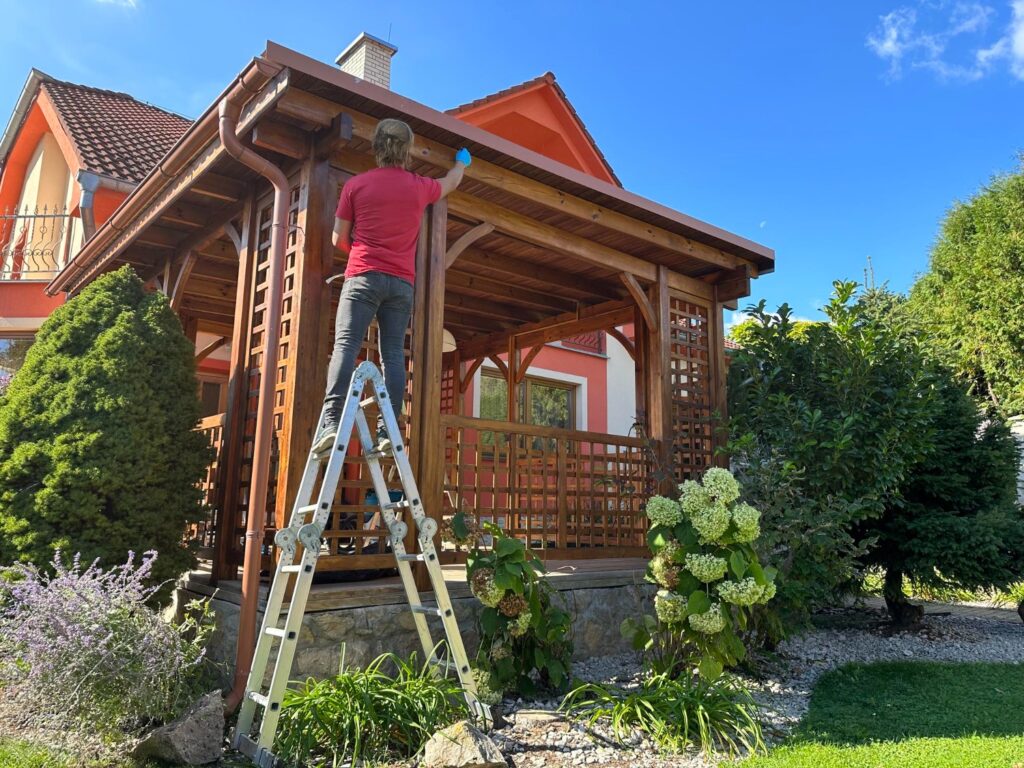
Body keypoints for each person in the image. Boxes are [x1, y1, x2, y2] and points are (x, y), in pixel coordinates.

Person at [312, 118, 471, 455]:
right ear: (407, 150)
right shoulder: (419, 186)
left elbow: (338, 237)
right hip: (401, 284)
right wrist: (461, 162)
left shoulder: (356, 185)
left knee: (345, 346)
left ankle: (331, 423)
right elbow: (451, 182)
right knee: (393, 355)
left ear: (377, 147)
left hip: (363, 276)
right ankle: (388, 431)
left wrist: (361, 254)